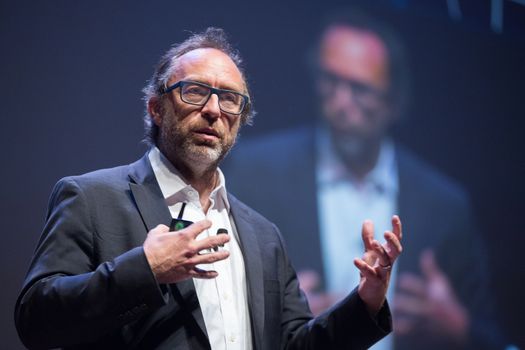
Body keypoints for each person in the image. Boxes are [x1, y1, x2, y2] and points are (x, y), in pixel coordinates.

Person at [14, 28, 403, 349]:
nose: (214, 110)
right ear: (156, 108)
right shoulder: (92, 199)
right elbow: (36, 322)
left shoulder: (263, 235)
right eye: (195, 91)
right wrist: (145, 270)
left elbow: (294, 344)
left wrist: (366, 302)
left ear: (239, 121)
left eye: (230, 99)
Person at [223, 12, 507, 350]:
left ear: (394, 101)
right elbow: (214, 295)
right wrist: (279, 317)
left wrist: (457, 327)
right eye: (330, 81)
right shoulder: (256, 173)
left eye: (360, 89)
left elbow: (493, 336)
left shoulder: (443, 204)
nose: (341, 103)